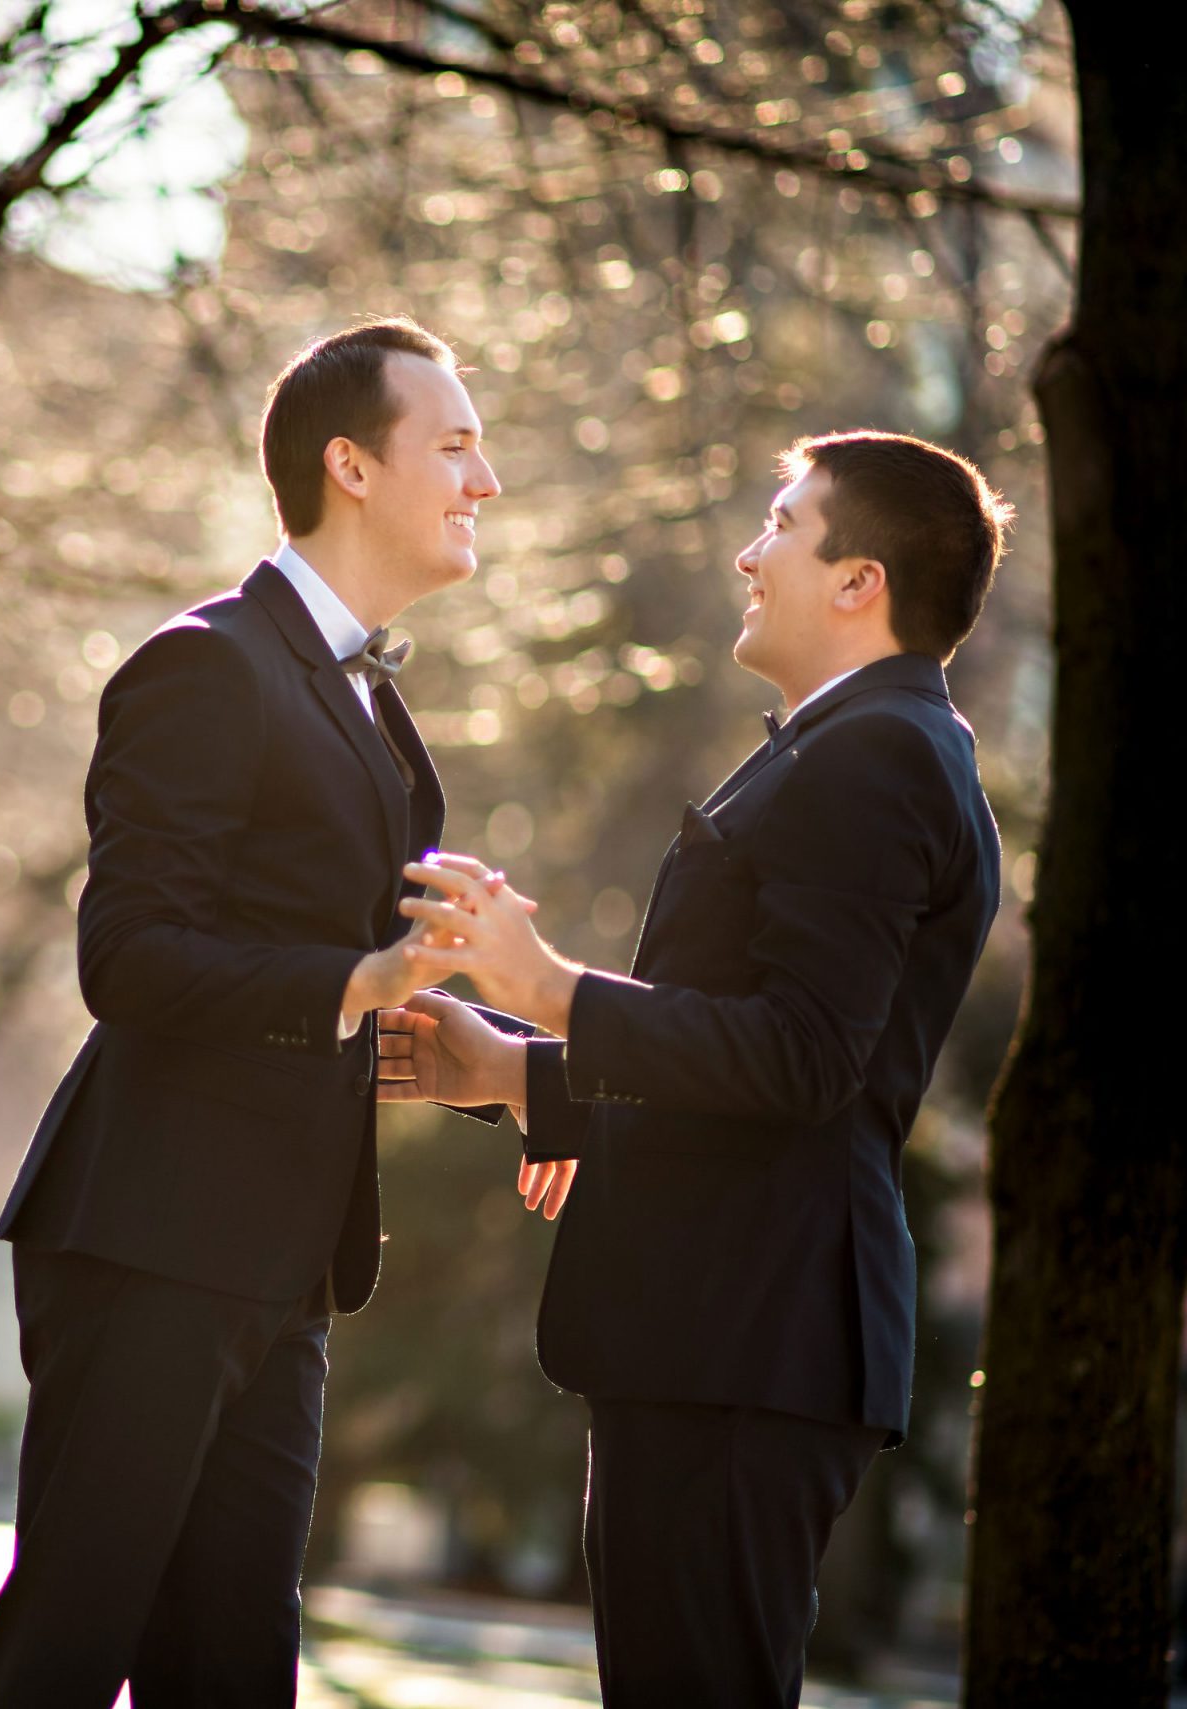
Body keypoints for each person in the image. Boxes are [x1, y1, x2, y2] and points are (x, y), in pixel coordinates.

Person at [379, 430, 1010, 1708]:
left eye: (782, 522)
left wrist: (546, 985)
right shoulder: (838, 746)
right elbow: (761, 1052)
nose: (748, 549)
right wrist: (518, 1072)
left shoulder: (876, 754)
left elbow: (802, 1056)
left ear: (857, 580)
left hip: (750, 1333)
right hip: (724, 1329)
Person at [0, 317, 503, 1706]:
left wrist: (428, 1027)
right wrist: (351, 984)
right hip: (149, 1232)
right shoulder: (207, 662)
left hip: (284, 1262)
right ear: (353, 467)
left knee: (235, 1669)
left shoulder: (368, 703)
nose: (483, 482)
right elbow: (129, 956)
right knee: (69, 1648)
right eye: (453, 445)